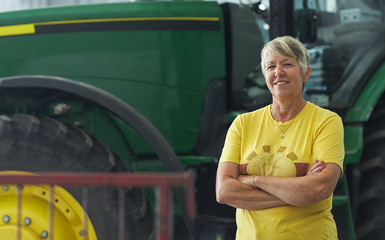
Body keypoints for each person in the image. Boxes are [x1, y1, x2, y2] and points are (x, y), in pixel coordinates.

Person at [216, 36, 344, 239]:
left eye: (287, 64)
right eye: (270, 66)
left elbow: (319, 188)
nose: (278, 72)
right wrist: (298, 191)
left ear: (305, 73)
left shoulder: (326, 121)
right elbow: (224, 192)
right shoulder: (242, 124)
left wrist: (252, 180)